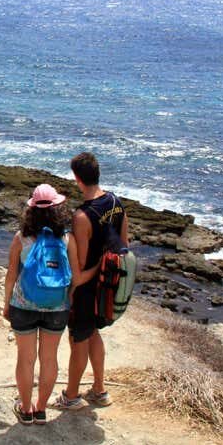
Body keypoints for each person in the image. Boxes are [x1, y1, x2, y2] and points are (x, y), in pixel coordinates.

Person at [4, 184, 85, 426]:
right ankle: (40, 410)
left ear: (31, 210)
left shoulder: (21, 238)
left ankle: (25, 410)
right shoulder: (66, 239)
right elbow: (76, 277)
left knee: (25, 359)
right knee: (49, 359)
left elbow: (11, 275)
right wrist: (66, 299)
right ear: (59, 209)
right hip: (57, 308)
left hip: (23, 304)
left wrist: (7, 303)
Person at [53, 152, 129, 410]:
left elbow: (82, 263)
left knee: (78, 341)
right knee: (93, 333)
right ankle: (99, 389)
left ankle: (71, 396)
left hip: (88, 287)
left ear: (77, 179)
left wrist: (73, 290)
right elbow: (124, 245)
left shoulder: (82, 217)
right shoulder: (117, 202)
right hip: (110, 283)